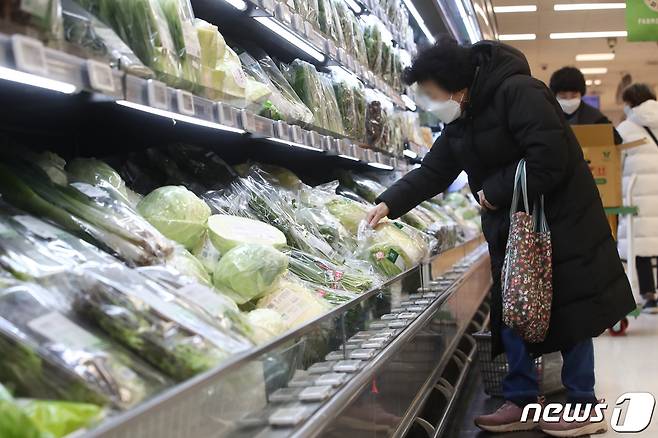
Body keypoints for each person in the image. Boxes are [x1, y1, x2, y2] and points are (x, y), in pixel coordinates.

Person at [366, 36, 635, 437]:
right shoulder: (462, 117)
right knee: (514, 308)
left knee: (570, 308)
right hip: (511, 228)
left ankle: (584, 405)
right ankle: (522, 399)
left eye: (431, 93)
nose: (429, 102)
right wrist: (387, 204)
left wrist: (494, 191)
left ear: (455, 85)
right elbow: (434, 171)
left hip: (559, 221)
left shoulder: (519, 91)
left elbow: (550, 157)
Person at [616, 84, 658, 313]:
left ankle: (649, 296)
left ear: (630, 103)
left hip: (638, 195)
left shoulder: (626, 128)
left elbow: (616, 164)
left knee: (640, 243)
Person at [549, 66, 622, 144]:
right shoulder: (548, 117)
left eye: (574, 96)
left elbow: (616, 140)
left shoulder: (595, 117)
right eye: (563, 96)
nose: (569, 100)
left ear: (581, 94)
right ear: (554, 96)